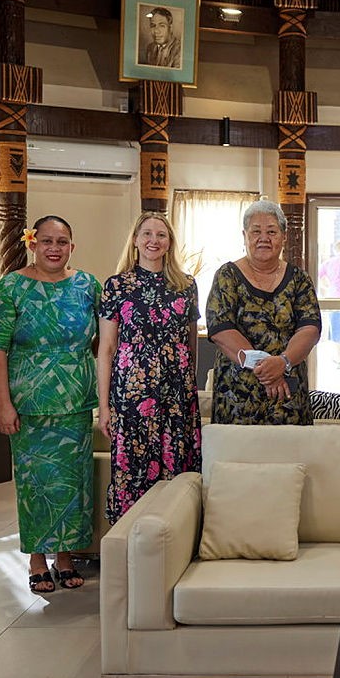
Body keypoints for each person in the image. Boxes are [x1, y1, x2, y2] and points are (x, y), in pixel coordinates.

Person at [0, 215, 100, 593]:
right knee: (37, 486)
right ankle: (37, 559)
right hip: (29, 404)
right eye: (47, 241)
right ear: (32, 244)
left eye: (62, 241)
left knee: (73, 484)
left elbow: (104, 342)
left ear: (72, 246)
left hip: (77, 403)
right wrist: (3, 404)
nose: (54, 248)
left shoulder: (87, 285)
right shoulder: (11, 287)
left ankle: (66, 556)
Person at [97, 213, 201, 525]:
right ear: (135, 240)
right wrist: (104, 406)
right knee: (132, 470)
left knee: (177, 472)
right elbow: (106, 349)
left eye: (161, 235)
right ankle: (128, 545)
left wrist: (188, 394)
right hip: (131, 396)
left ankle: (175, 542)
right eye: (147, 234)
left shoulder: (186, 285)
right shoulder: (117, 285)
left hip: (177, 395)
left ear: (170, 243)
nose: (153, 240)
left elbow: (191, 346)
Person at [206, 199, 322, 425]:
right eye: (256, 231)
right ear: (245, 235)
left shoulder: (299, 279)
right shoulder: (227, 275)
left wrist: (284, 363)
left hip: (288, 395)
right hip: (237, 397)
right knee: (236, 460)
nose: (264, 238)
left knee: (291, 458)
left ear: (284, 236)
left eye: (272, 231)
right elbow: (220, 329)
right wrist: (266, 370)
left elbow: (310, 327)